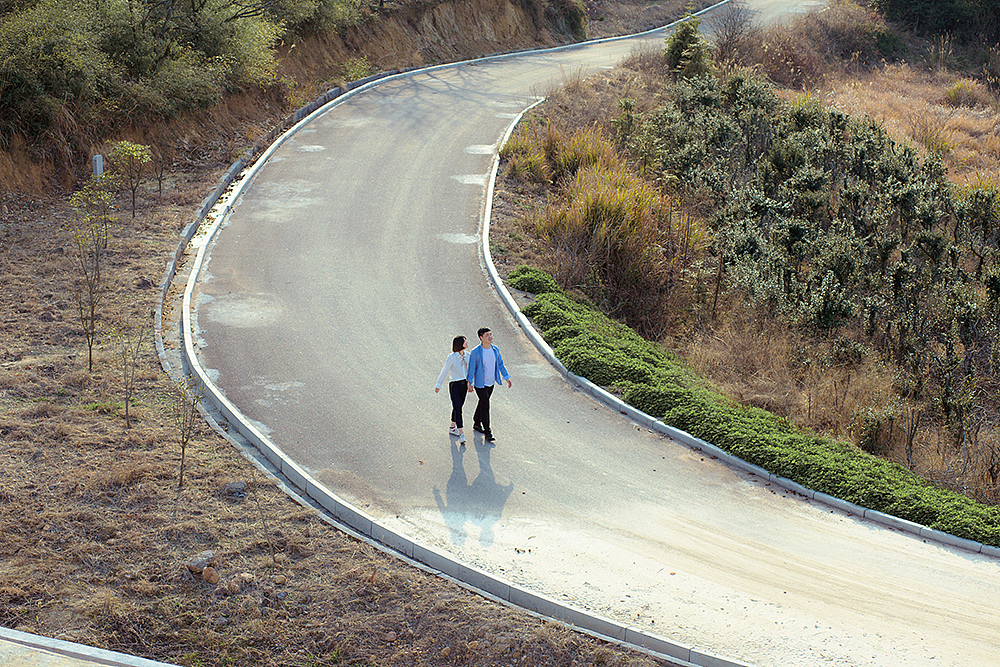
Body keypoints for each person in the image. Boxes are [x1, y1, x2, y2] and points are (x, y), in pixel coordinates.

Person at [466, 327, 512, 442]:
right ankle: (488, 432)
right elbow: (471, 369)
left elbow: (500, 364)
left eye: (491, 334)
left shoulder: (495, 349)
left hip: (491, 383)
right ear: (481, 338)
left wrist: (506, 377)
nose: (490, 337)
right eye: (487, 335)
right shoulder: (476, 352)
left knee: (482, 402)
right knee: (486, 406)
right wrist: (469, 382)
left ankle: (476, 422)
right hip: (480, 384)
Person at [435, 335, 470, 444]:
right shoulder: (452, 357)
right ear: (460, 344)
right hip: (454, 385)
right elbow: (445, 370)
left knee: (457, 406)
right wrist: (438, 384)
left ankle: (452, 427)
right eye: (465, 341)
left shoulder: (468, 356)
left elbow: (470, 370)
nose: (467, 343)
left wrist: (470, 384)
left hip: (464, 385)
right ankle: (461, 433)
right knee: (458, 408)